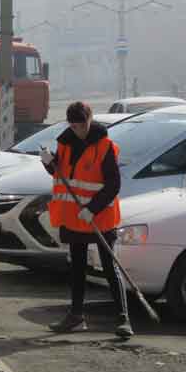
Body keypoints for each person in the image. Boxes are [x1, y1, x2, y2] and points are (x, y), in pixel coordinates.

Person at [40, 101, 132, 338]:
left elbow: (113, 184)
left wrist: (93, 208)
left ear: (89, 120)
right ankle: (76, 316)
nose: (77, 130)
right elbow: (62, 174)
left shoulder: (105, 146)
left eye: (81, 125)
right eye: (73, 126)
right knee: (77, 267)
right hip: (74, 216)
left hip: (99, 216)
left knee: (109, 265)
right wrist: (49, 163)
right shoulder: (65, 143)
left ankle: (123, 319)